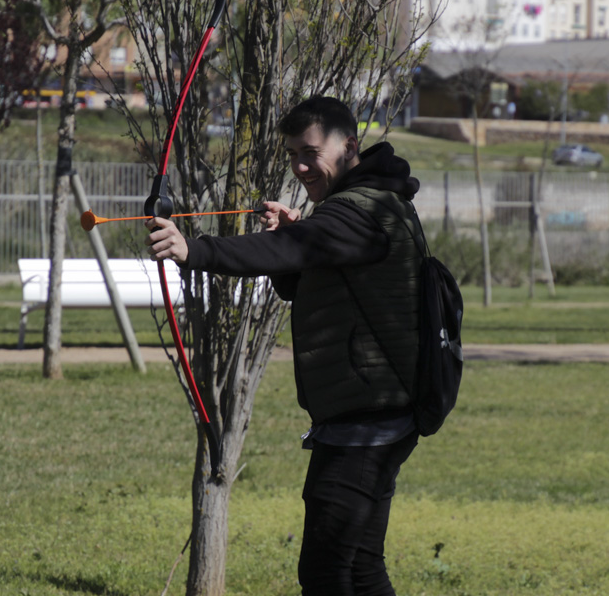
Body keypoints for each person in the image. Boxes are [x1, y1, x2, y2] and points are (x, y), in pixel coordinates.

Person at [145, 95, 424, 596]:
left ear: (349, 146)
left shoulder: (361, 212)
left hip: (366, 420)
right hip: (373, 413)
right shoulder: (362, 205)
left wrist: (194, 249)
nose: (299, 165)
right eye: (292, 153)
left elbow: (293, 249)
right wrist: (300, 236)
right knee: (360, 567)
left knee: (325, 572)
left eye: (310, 152)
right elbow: (307, 274)